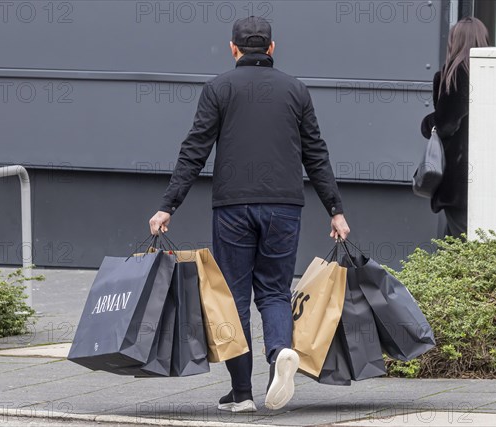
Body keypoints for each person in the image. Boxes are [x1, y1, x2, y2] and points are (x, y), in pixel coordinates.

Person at [148, 16, 350, 412]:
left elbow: (195, 150)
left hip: (233, 207)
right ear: (272, 49)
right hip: (284, 206)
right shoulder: (296, 90)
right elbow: (316, 153)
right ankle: (279, 356)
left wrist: (167, 205)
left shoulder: (218, 88)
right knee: (274, 291)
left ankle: (242, 394)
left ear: (233, 48)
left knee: (234, 296)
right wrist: (336, 210)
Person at [421, 17, 489, 238]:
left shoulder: (455, 74)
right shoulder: (492, 74)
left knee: (460, 245)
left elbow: (446, 125)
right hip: (486, 175)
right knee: (457, 243)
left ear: (455, 41)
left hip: (458, 181)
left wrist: (427, 123)